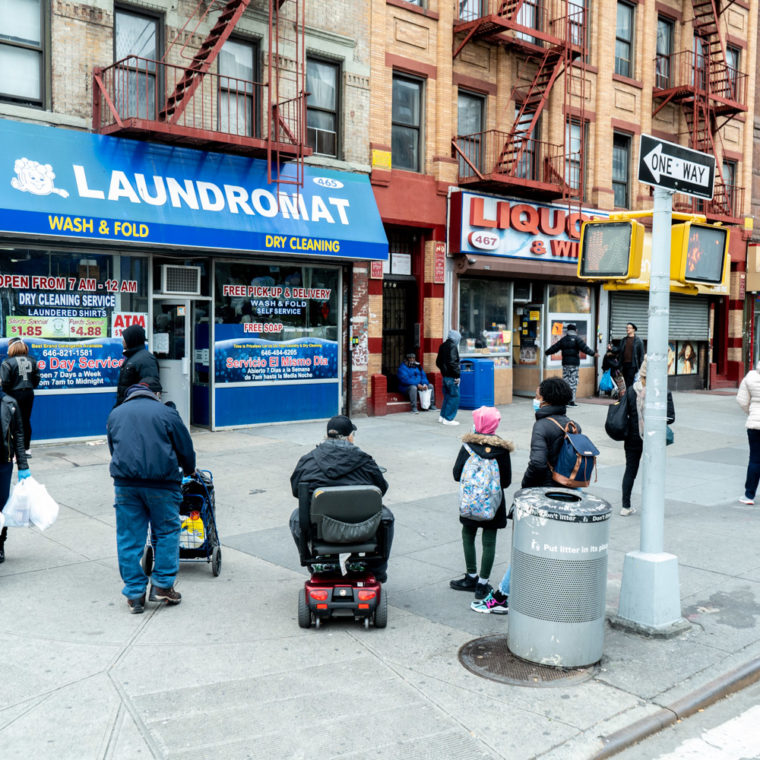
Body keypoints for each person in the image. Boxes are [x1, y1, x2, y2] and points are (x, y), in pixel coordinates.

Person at [106, 377, 196, 613]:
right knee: (166, 532)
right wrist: (189, 470)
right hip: (162, 484)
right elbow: (185, 447)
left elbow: (113, 448)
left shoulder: (116, 413)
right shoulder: (166, 413)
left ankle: (135, 594)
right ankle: (162, 586)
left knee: (129, 538)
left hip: (126, 485)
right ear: (155, 394)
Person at [289, 415, 394, 582]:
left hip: (322, 530)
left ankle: (313, 565)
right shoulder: (365, 461)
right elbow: (382, 489)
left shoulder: (307, 460)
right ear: (350, 436)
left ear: (326, 436)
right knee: (387, 518)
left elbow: (297, 491)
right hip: (363, 527)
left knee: (296, 518)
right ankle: (377, 571)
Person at [449, 406, 513, 601]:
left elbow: (456, 474)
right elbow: (506, 481)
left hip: (471, 501)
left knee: (468, 535)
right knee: (489, 540)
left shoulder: (467, 446)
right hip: (493, 504)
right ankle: (482, 584)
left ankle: (470, 576)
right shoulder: (502, 449)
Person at [620, 358, 675, 516]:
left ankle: (625, 506)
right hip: (654, 437)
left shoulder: (631, 390)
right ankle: (653, 507)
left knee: (630, 469)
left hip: (632, 436)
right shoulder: (662, 392)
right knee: (654, 470)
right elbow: (671, 418)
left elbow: (625, 414)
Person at [522, 377, 577, 488]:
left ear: (546, 401)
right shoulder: (574, 425)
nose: (535, 399)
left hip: (547, 486)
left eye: (537, 397)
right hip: (571, 483)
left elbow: (537, 463)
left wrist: (526, 483)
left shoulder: (541, 426)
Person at [0, 388, 31, 563]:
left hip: (3, 463)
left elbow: (19, 434)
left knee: (1, 506)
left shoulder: (10, 403)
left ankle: (0, 543)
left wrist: (23, 466)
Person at [1, 337, 41, 456]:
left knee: (12, 423)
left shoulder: (7, 362)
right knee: (25, 421)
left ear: (12, 348)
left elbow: (5, 382)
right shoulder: (32, 361)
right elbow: (37, 379)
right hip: (28, 394)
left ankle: (12, 452)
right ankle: (26, 449)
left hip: (12, 394)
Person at [544, 323, 597, 406]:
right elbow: (585, 348)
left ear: (568, 331)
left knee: (565, 381)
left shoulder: (563, 339)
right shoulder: (577, 339)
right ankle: (571, 401)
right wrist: (593, 354)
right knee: (573, 381)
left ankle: (565, 400)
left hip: (565, 364)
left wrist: (547, 352)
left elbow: (555, 347)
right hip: (574, 364)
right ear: (575, 330)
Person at [114, 324, 160, 407]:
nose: (123, 341)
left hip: (135, 407)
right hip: (128, 405)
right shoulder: (133, 357)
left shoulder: (146, 360)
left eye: (125, 338)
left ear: (132, 339)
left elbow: (149, 389)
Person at [736, 361, 760, 505]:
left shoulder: (750, 377)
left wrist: (751, 413)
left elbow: (742, 400)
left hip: (754, 425)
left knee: (755, 459)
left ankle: (749, 495)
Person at [436, 329, 461, 425]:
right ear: (455, 338)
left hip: (445, 376)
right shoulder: (453, 346)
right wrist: (457, 375)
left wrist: (443, 371)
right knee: (454, 397)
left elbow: (438, 362)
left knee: (447, 397)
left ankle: (442, 417)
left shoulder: (442, 345)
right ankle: (448, 419)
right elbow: (453, 362)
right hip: (452, 377)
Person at [614, 322, 645, 390]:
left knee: (630, 383)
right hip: (624, 365)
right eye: (627, 328)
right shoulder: (624, 340)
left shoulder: (639, 341)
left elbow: (641, 355)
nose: (627, 329)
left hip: (633, 365)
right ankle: (626, 397)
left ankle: (628, 398)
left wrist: (641, 368)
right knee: (624, 383)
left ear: (633, 329)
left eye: (629, 328)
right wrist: (612, 348)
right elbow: (618, 349)